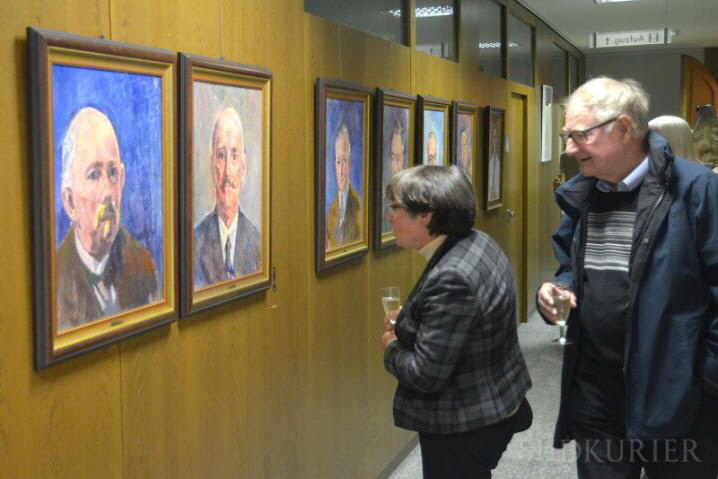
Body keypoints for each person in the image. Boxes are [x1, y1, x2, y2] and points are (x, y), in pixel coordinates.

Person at [537, 76, 718, 478]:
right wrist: (557, 290)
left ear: (622, 128)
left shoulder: (697, 190)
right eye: (567, 135)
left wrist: (704, 376)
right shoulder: (584, 193)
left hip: (676, 397)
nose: (569, 148)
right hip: (597, 394)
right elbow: (570, 265)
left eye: (579, 135)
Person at [382, 165, 532, 479]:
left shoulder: (452, 276)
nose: (389, 216)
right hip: (494, 400)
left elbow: (425, 375)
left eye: (394, 207)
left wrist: (392, 346)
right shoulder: (477, 242)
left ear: (425, 216)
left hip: (463, 422)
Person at [57, 107, 158, 331]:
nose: (107, 192)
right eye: (94, 175)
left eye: (112, 173)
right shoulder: (54, 284)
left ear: (122, 181)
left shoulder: (143, 266)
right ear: (70, 201)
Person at [194, 107, 261, 287]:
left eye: (234, 156)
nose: (227, 172)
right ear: (212, 165)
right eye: (221, 156)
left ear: (244, 167)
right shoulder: (194, 245)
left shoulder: (258, 245)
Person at [326, 121, 362, 249]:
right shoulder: (331, 212)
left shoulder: (359, 207)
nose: (340, 171)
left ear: (350, 164)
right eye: (338, 162)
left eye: (344, 160)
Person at [382, 119, 408, 233]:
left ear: (404, 159)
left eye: (398, 158)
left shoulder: (412, 200)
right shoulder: (383, 204)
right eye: (392, 158)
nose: (394, 166)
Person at [488, 119, 501, 201]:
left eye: (496, 138)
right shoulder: (491, 158)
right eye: (493, 138)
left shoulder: (499, 159)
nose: (494, 141)